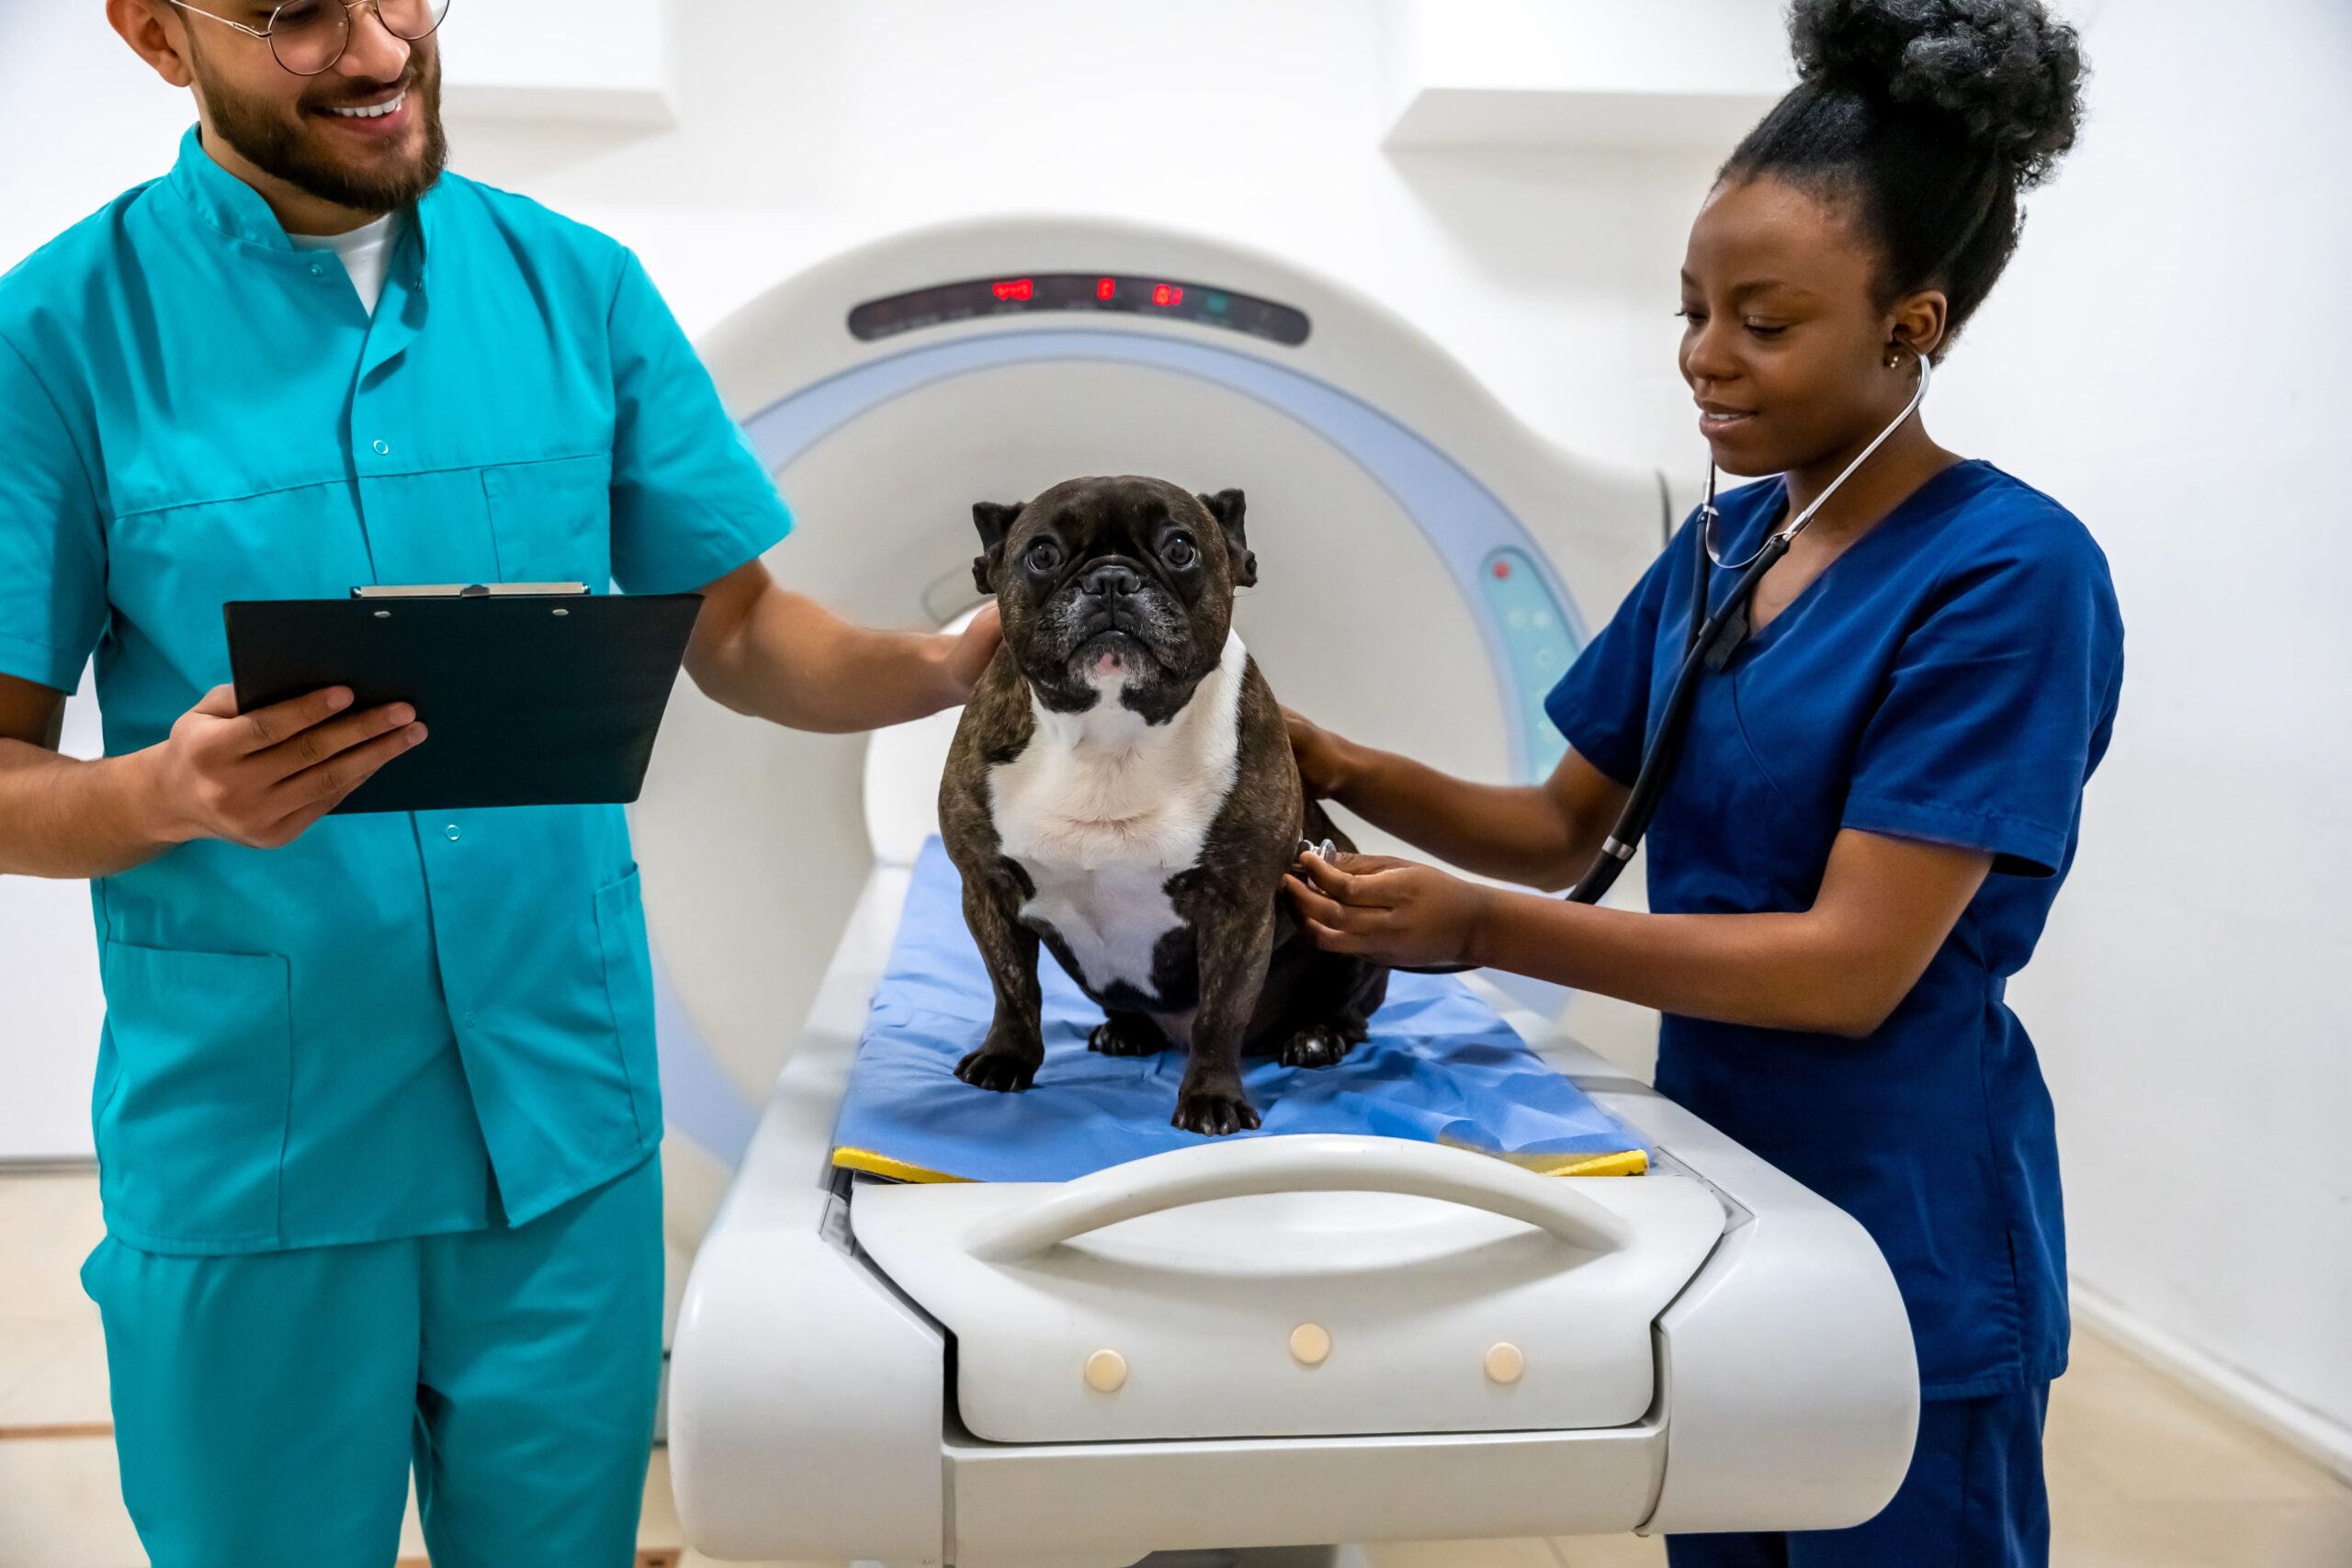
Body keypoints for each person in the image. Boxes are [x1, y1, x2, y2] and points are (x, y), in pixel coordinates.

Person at [0, 3, 997, 1563]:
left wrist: (947, 668)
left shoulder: (575, 289)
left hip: (557, 1119)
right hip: (258, 1143)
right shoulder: (59, 334)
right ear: (154, 34)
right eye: (297, 13)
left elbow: (734, 631)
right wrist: (164, 799)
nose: (380, 44)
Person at [1283, 2, 2116, 1563]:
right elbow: (1556, 829)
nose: (1703, 361)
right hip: (1717, 1190)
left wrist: (1473, 934)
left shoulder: (2011, 576)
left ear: (1911, 323)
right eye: (1690, 310)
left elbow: (1851, 968)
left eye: (1764, 319)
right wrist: (1325, 760)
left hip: (1908, 1223)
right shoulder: (1728, 548)